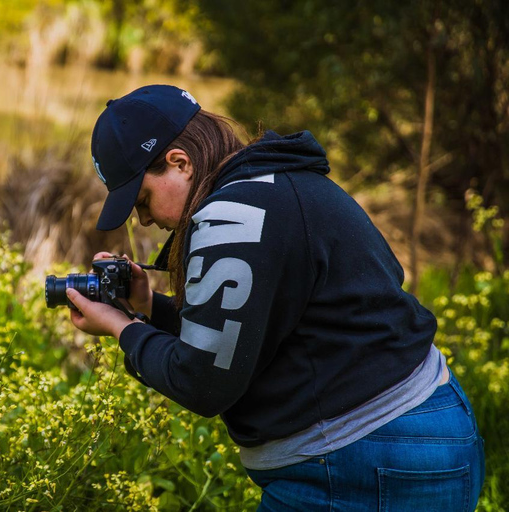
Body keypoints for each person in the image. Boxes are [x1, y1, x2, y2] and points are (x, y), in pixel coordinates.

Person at [65, 84, 485, 511]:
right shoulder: (276, 182)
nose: (144, 218)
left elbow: (201, 381)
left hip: (366, 459)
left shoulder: (232, 215)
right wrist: (149, 306)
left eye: (142, 199)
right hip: (417, 436)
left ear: (180, 163)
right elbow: (245, 336)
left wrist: (122, 328)